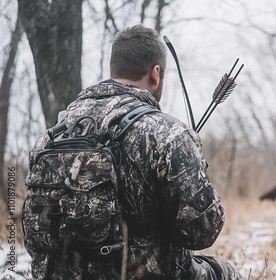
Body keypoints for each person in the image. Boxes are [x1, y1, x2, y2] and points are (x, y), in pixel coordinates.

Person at [22, 24, 242, 279]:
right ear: (155, 74)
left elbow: (34, 239)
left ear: (114, 69)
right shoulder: (166, 133)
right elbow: (204, 230)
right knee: (226, 272)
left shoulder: (50, 137)